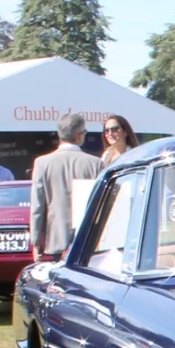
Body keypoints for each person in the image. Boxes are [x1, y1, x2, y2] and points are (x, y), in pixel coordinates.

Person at [30, 112, 104, 262]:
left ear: (59, 134)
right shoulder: (95, 164)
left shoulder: (42, 163)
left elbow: (37, 207)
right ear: (79, 135)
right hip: (88, 241)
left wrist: (36, 241)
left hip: (56, 239)